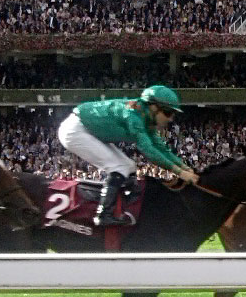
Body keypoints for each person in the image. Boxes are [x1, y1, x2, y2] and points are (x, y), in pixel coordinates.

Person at [57, 85, 200, 227]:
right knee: (119, 167)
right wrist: (179, 173)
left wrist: (184, 166)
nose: (171, 119)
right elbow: (149, 151)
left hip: (86, 128)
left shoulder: (145, 116)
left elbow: (161, 147)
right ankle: (103, 215)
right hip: (75, 130)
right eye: (168, 113)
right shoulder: (134, 118)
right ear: (154, 108)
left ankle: (123, 207)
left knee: (129, 166)